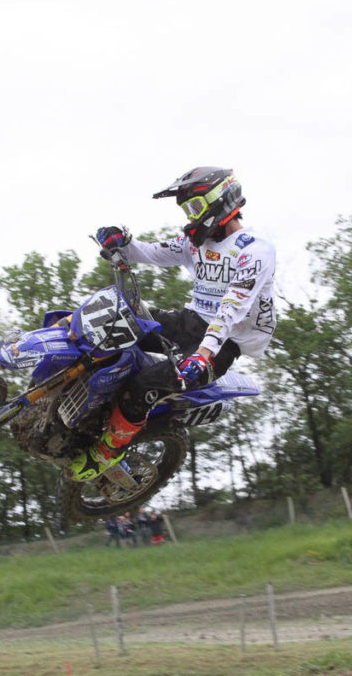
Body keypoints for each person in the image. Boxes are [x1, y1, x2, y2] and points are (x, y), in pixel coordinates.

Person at [71, 167, 277, 480]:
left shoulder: (255, 249)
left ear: (219, 201)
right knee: (110, 322)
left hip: (224, 343)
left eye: (194, 207)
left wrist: (204, 354)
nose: (190, 217)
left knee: (145, 384)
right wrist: (120, 242)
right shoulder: (196, 244)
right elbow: (150, 253)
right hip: (190, 321)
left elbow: (233, 306)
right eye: (186, 210)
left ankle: (108, 451)